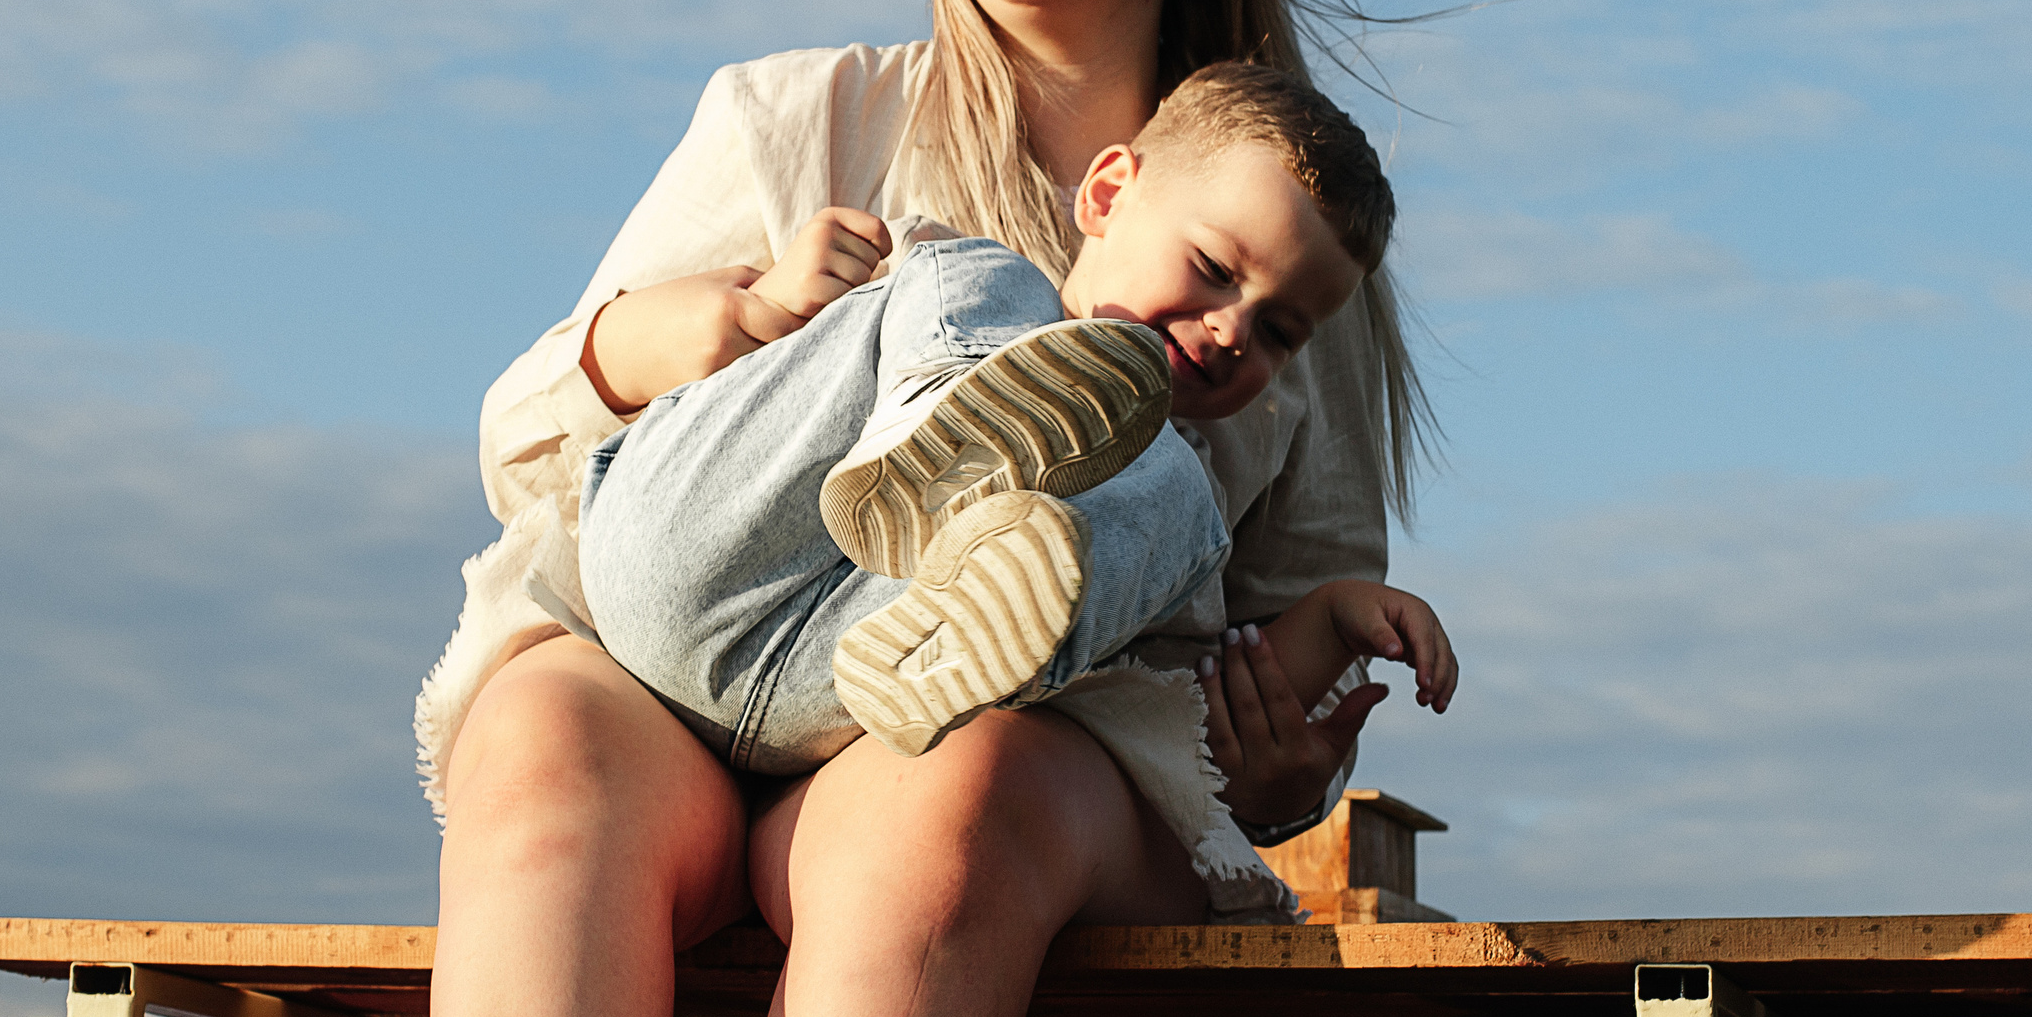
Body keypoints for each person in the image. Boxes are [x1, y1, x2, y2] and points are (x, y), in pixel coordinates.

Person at [416, 0, 1439, 1017]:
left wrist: (1297, 763)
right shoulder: (797, 115)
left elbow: (1280, 656)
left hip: (1020, 736)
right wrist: (701, 324)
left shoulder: (1290, 236)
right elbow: (520, 434)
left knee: (947, 790)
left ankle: (991, 564)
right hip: (714, 655)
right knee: (543, 737)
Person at [572, 63, 1457, 807]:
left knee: (1176, 495)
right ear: (1108, 194)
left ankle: (973, 612)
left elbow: (1182, 708)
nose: (1232, 331)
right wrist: (783, 305)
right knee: (980, 278)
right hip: (680, 557)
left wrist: (1333, 619)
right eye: (1214, 269)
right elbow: (738, 390)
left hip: (849, 695)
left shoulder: (1170, 524)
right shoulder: (956, 275)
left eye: (1279, 333)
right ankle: (940, 424)